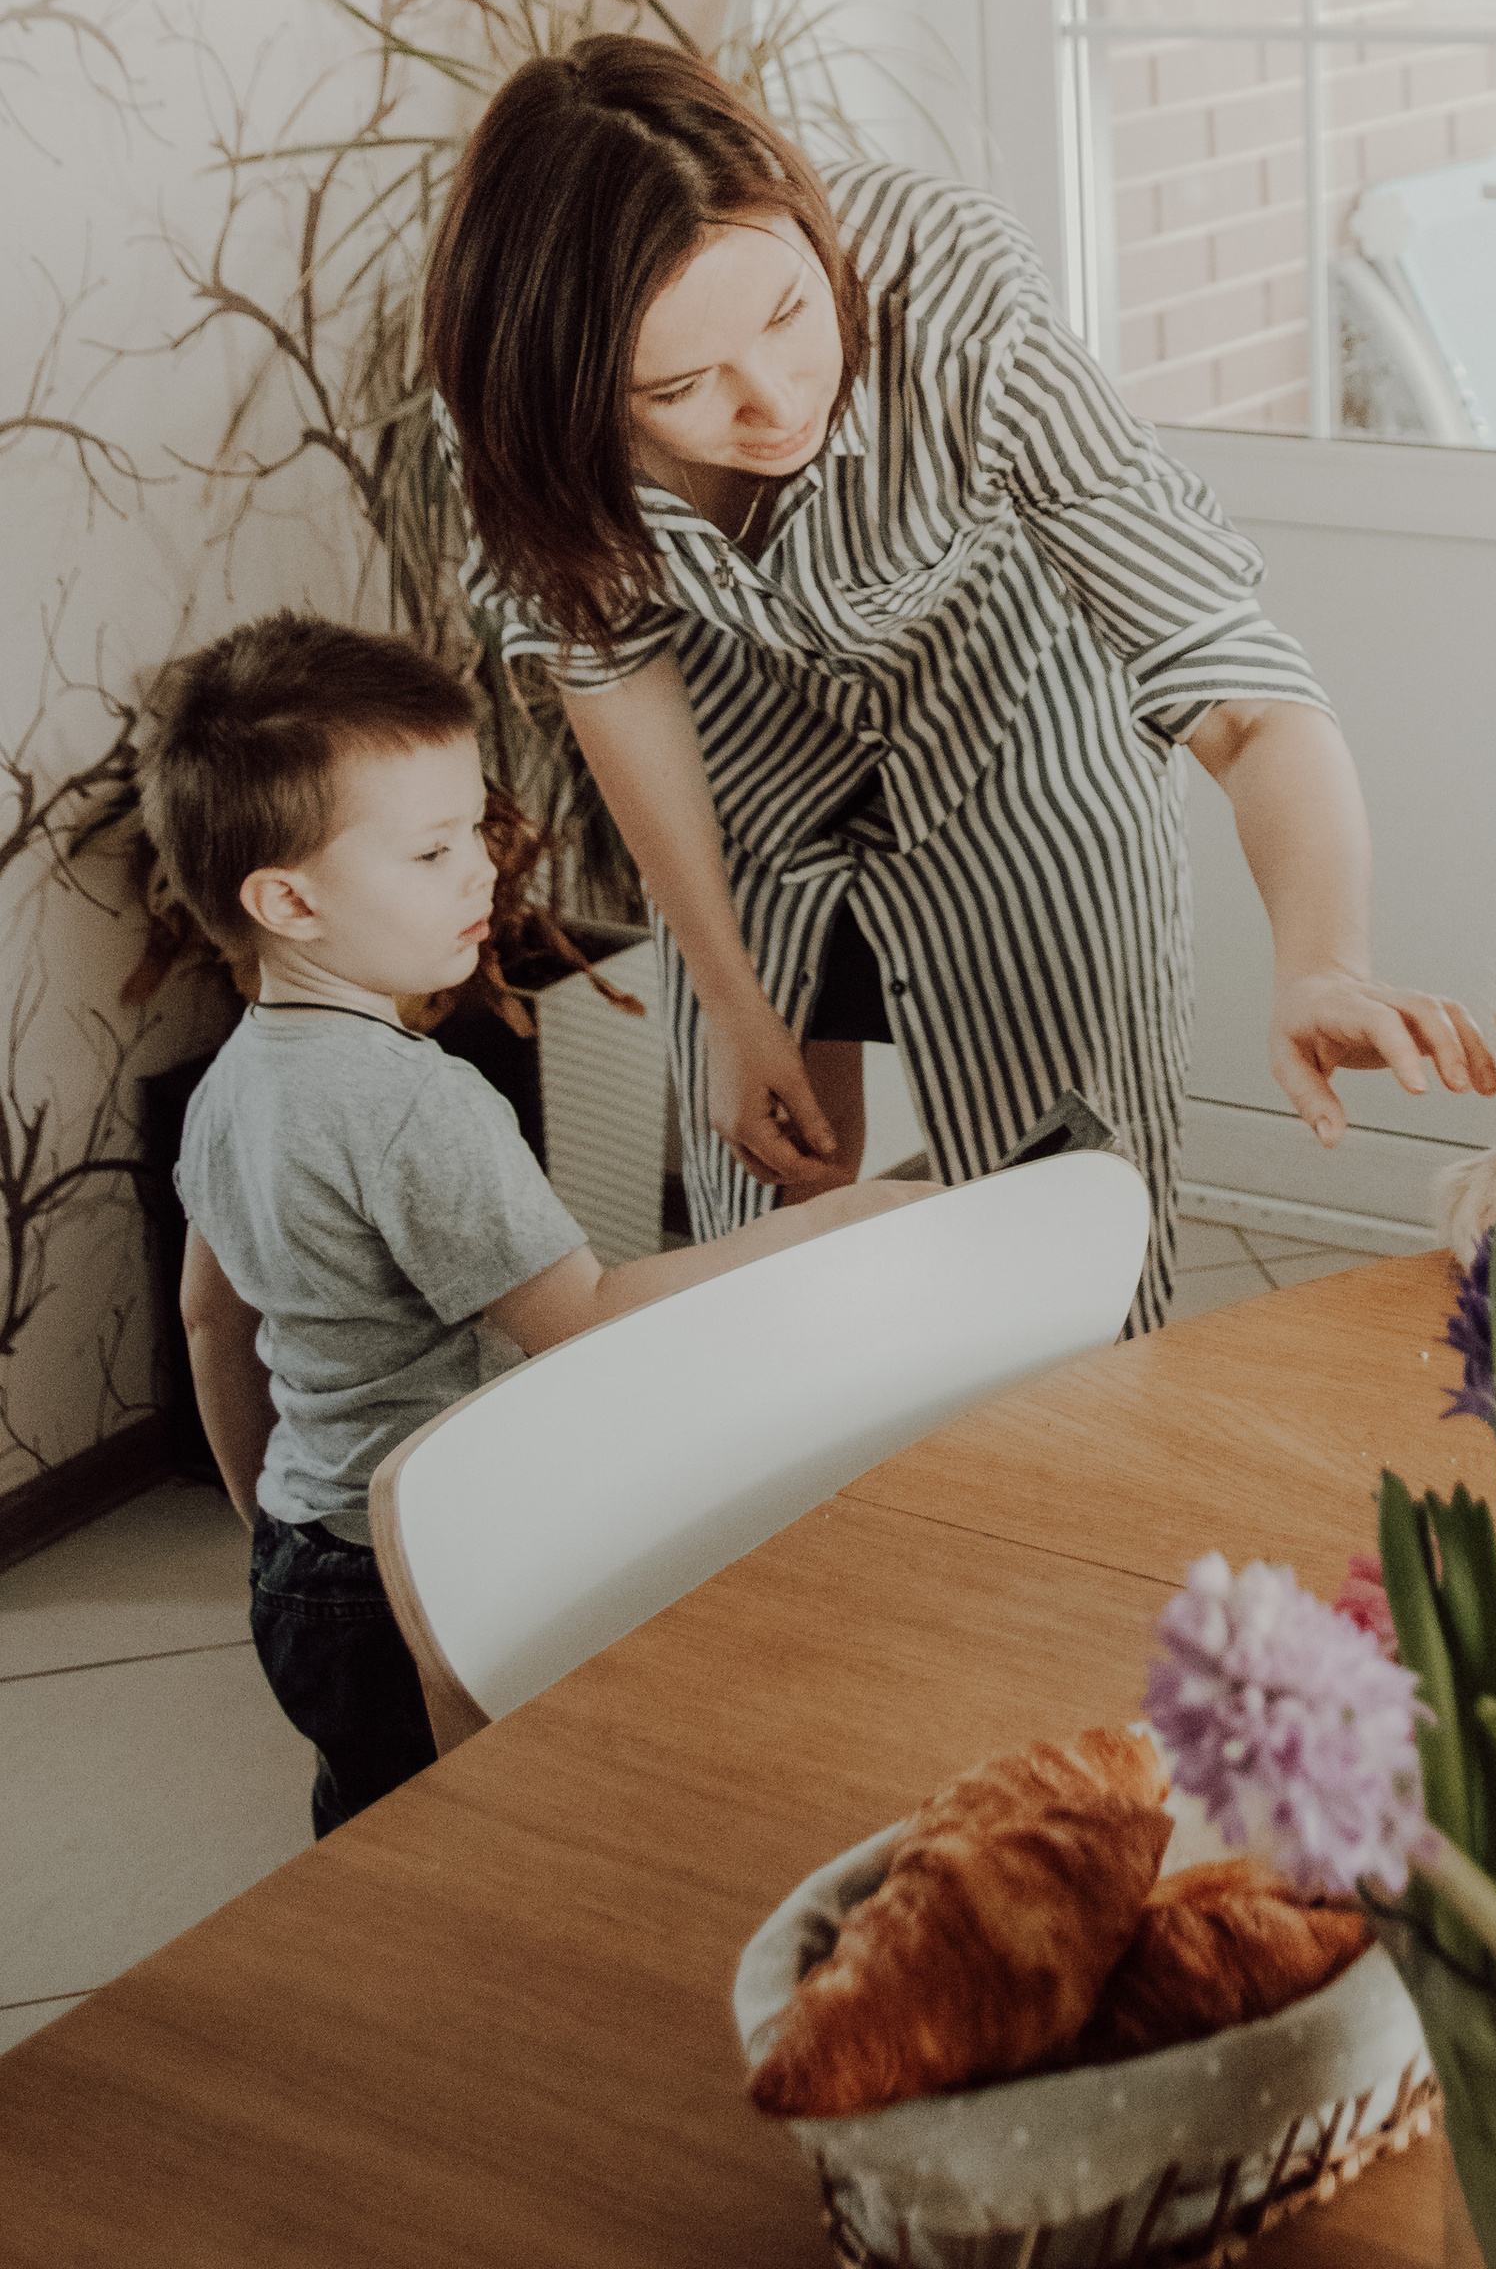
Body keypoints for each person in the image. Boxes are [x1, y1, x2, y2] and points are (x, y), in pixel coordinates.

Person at [422, 38, 1496, 1330]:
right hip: (745, 821)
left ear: (801, 218)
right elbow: (615, 674)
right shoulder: (517, 416)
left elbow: (1238, 687)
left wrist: (1327, 957)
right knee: (772, 1287)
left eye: (786, 312)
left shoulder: (953, 296)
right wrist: (725, 995)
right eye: (679, 387)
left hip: (1027, 777)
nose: (770, 401)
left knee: (1075, 1268)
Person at [146, 612, 919, 1835]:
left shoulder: (229, 1088)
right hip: (439, 1555)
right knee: (487, 1839)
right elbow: (583, 1319)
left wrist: (272, 1518)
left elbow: (209, 1316)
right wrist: (850, 1218)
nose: (483, 873)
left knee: (369, 1822)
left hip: (310, 1563)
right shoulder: (416, 1103)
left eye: (474, 832)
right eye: (430, 852)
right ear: (288, 898)